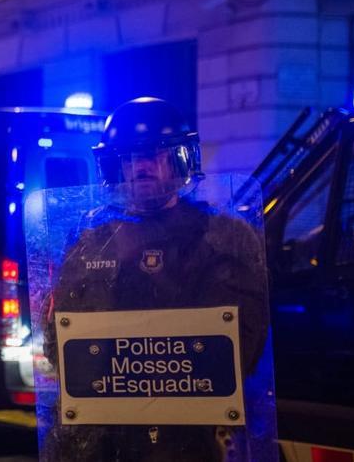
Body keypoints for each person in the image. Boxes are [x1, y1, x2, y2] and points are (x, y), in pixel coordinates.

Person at [41, 97, 269, 461]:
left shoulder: (220, 236)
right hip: (106, 429)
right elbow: (61, 336)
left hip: (193, 432)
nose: (141, 167)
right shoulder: (91, 239)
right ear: (115, 166)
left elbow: (238, 346)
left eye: (154, 156)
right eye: (130, 158)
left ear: (179, 160)